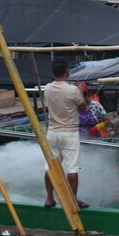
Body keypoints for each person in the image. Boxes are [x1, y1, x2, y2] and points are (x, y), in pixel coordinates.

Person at [43, 59, 88, 209]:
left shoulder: (47, 88)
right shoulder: (73, 90)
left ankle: (49, 198)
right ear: (67, 72)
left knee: (51, 166)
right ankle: (72, 200)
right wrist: (80, 90)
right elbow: (83, 107)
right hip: (69, 133)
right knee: (72, 169)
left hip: (52, 132)